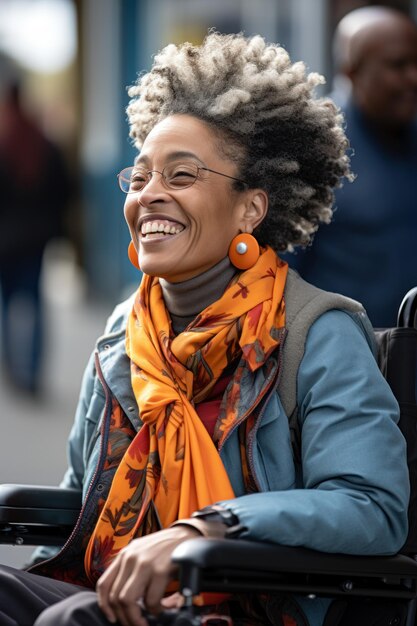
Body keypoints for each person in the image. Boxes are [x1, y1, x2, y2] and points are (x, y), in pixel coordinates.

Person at [0, 33, 409, 626]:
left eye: (181, 175)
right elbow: (76, 502)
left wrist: (205, 529)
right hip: (111, 594)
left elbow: (371, 507)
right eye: (139, 178)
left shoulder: (315, 331)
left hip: (243, 604)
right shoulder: (124, 333)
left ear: (251, 208)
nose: (150, 197)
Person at [287, 6, 417, 328]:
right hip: (350, 364)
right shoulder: (311, 150)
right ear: (351, 71)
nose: (413, 77)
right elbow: (281, 277)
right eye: (398, 65)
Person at [0, 77, 71, 394]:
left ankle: (12, 369)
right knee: (36, 304)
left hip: (5, 242)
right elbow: (66, 190)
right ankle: (32, 372)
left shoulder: (4, 142)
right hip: (36, 240)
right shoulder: (44, 144)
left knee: (6, 306)